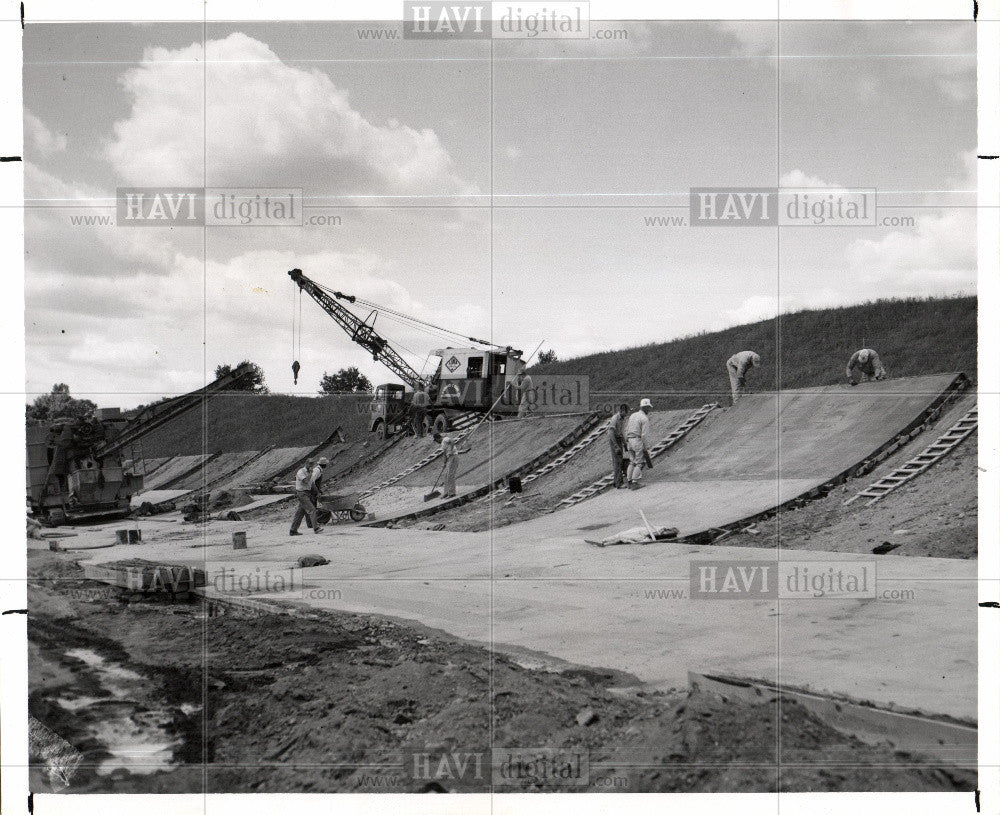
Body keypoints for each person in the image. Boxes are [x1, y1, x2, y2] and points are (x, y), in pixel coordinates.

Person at [289, 457, 328, 535]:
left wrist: (317, 492)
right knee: (312, 510)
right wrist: (310, 473)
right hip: (302, 493)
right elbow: (306, 481)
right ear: (306, 464)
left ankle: (293, 530)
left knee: (300, 513)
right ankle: (316, 528)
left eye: (312, 464)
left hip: (307, 493)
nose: (311, 465)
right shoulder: (301, 472)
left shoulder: (310, 472)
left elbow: (312, 483)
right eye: (310, 464)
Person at [625, 398, 653, 490]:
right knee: (639, 462)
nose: (649, 410)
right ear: (645, 407)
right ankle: (634, 482)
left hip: (629, 440)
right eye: (648, 408)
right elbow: (644, 435)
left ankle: (628, 481)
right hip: (637, 440)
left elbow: (627, 428)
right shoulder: (644, 418)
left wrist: (627, 441)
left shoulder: (633, 415)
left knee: (632, 461)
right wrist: (645, 446)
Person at [433, 432, 469, 498]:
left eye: (436, 440)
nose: (436, 442)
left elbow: (452, 441)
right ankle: (446, 492)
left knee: (450, 475)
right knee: (446, 476)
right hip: (449, 459)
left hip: (454, 457)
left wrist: (450, 450)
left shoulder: (445, 439)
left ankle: (452, 493)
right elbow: (444, 454)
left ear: (438, 438)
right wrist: (444, 463)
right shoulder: (442, 444)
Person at [608, 403, 630, 489]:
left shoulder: (622, 419)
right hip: (614, 440)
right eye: (626, 412)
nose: (626, 414)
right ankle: (619, 483)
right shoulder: (615, 418)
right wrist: (616, 446)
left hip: (618, 439)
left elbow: (620, 432)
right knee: (617, 461)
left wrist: (624, 444)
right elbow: (610, 433)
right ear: (622, 411)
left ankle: (615, 481)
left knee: (620, 460)